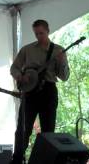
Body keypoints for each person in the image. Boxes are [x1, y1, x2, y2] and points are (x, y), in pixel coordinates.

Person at [10, 19, 70, 164]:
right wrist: (20, 77)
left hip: (48, 91)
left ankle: (46, 160)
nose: (39, 36)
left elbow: (64, 77)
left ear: (48, 31)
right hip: (29, 92)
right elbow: (14, 68)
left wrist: (62, 61)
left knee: (48, 131)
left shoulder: (58, 50)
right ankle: (17, 159)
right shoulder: (27, 49)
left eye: (41, 33)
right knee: (23, 129)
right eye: (36, 33)